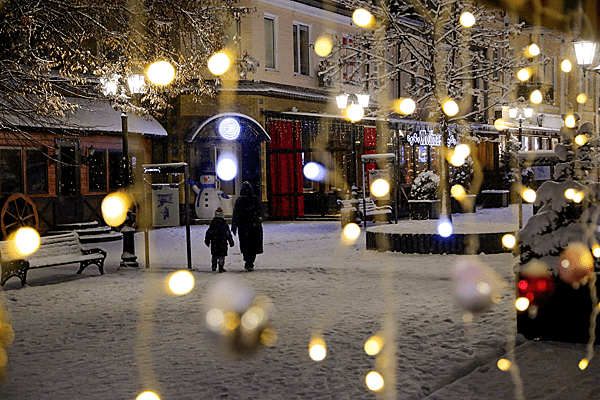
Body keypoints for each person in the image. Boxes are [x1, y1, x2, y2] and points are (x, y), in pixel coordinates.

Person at [231, 181, 263, 272]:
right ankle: (250, 262)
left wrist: (234, 225)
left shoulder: (239, 201)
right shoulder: (255, 199)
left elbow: (236, 214)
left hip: (244, 227)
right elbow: (260, 211)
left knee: (246, 246)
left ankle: (248, 262)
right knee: (253, 246)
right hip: (254, 227)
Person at [204, 207, 234, 273]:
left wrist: (207, 240)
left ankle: (214, 266)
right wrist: (231, 241)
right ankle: (221, 267)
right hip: (222, 243)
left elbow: (209, 233)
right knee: (221, 256)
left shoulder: (213, 224)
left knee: (214, 255)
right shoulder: (224, 225)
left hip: (214, 242)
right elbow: (228, 234)